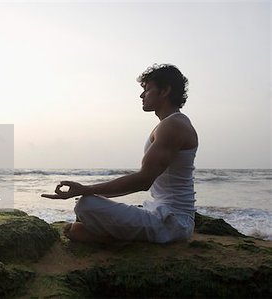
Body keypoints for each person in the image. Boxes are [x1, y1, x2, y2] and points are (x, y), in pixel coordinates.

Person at [42, 64, 198, 244]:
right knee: (88, 204)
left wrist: (87, 190)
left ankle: (115, 241)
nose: (141, 95)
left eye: (147, 90)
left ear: (165, 91)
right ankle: (107, 234)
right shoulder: (169, 124)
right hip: (164, 215)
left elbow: (143, 181)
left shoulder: (174, 125)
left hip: (173, 223)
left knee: (86, 205)